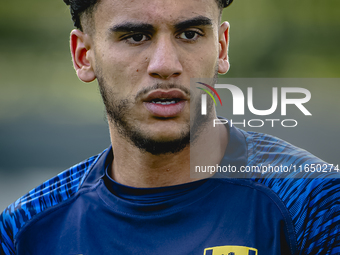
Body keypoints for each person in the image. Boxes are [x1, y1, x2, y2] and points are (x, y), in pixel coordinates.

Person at [1, 0, 339, 254]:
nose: (166, 65)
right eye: (135, 37)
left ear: (221, 47)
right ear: (83, 55)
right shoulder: (25, 230)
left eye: (190, 34)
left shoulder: (314, 202)